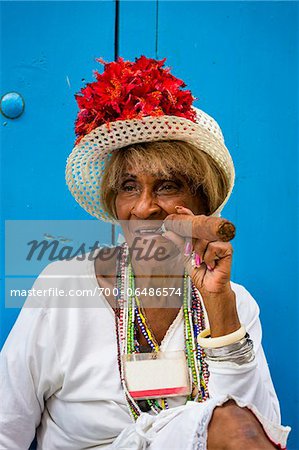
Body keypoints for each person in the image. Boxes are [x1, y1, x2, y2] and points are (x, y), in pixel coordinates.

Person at [0, 56, 291, 449]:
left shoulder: (235, 304)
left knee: (234, 425)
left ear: (201, 202)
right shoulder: (63, 287)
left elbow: (256, 429)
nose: (144, 208)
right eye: (129, 186)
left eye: (167, 186)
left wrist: (219, 305)